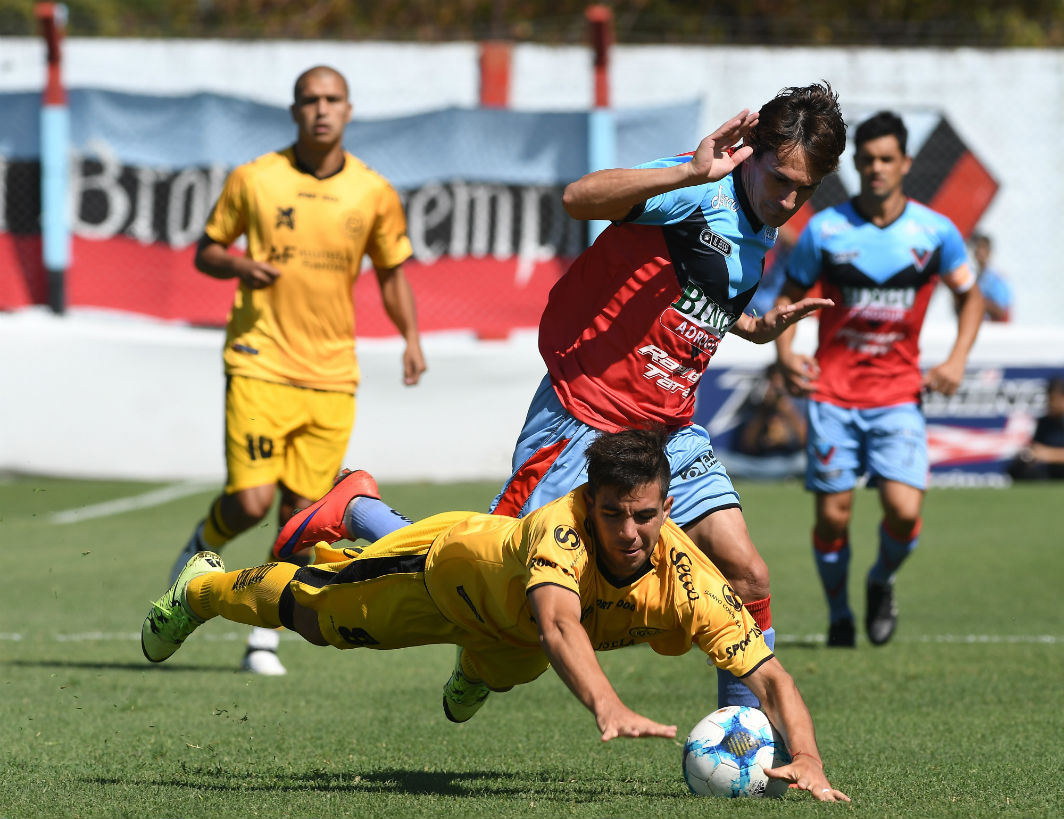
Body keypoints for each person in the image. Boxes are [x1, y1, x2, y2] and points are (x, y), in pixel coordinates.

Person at [142, 428, 850, 803]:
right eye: (613, 514)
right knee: (318, 615)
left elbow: (772, 678)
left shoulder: (690, 576)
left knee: (502, 667)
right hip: (447, 576)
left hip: (510, 640)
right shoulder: (558, 529)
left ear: (666, 508)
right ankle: (203, 587)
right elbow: (560, 625)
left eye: (645, 515)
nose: (630, 531)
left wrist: (809, 756)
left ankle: (370, 520)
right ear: (589, 504)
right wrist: (608, 702)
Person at [481, 83, 847, 710]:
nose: (788, 200)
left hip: (668, 429)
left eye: (804, 190)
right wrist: (686, 170)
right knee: (503, 593)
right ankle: (373, 528)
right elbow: (576, 199)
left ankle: (745, 734)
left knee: (747, 573)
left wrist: (757, 328)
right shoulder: (699, 185)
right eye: (780, 179)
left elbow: (697, 292)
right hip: (582, 416)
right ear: (752, 152)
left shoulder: (762, 225)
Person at [169, 65, 427, 676]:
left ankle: (263, 637)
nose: (321, 109)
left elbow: (392, 275)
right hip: (259, 360)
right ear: (294, 110)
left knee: (302, 514)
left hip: (332, 374)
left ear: (348, 109)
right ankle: (199, 547)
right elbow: (207, 250)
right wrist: (237, 267)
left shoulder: (373, 192)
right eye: (309, 99)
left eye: (332, 99)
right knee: (253, 501)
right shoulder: (255, 179)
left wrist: (412, 337)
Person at [773, 110, 985, 648]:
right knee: (833, 518)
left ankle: (880, 580)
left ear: (906, 164)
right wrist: (785, 351)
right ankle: (840, 614)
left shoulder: (936, 232)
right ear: (856, 165)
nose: (876, 169)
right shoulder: (825, 228)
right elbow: (789, 297)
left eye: (886, 159)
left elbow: (971, 297)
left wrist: (957, 359)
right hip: (833, 395)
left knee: (904, 508)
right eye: (866, 160)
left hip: (897, 396)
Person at [724, 363, 807, 481]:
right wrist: (763, 411)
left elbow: (806, 441)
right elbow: (748, 445)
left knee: (805, 461)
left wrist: (788, 410)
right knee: (720, 460)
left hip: (790, 462)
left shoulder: (799, 401)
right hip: (758, 464)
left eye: (781, 379)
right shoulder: (754, 404)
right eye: (771, 380)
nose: (776, 385)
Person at [1007, 376, 1064, 481]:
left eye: (1053, 399)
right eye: (1048, 399)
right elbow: (1036, 448)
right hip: (1048, 469)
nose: (1050, 404)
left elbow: (1043, 453)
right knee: (1018, 468)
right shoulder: (1045, 422)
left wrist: (1048, 454)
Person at [969, 233, 1013, 322]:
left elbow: (1001, 312)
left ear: (989, 251)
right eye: (977, 247)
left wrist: (977, 301)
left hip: (995, 331)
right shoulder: (973, 277)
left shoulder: (997, 278)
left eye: (983, 247)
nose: (979, 251)